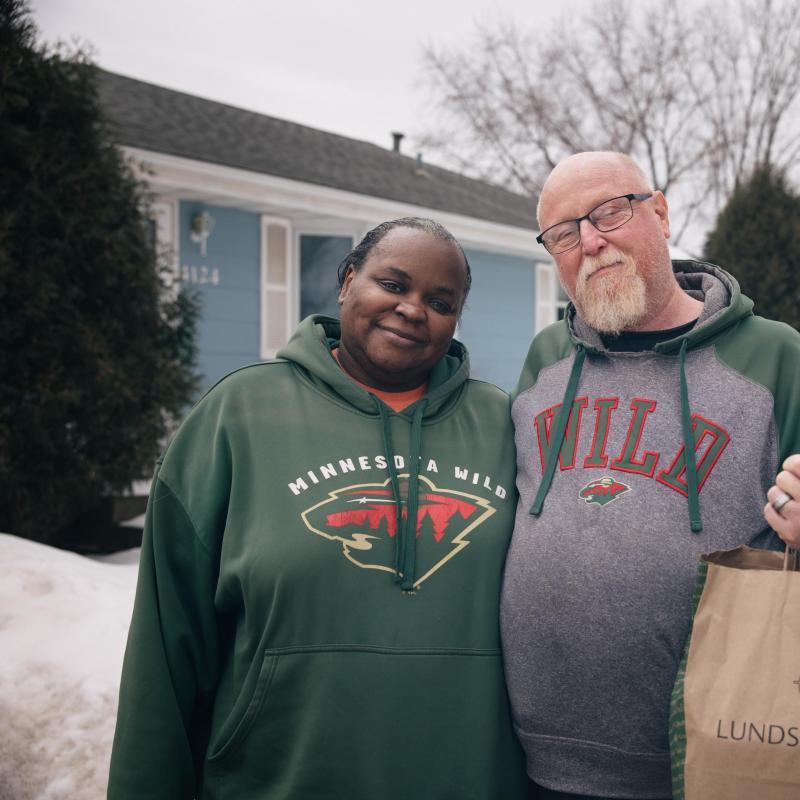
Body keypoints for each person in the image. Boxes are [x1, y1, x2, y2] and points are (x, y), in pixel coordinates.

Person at [107, 216, 529, 800]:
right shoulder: (241, 413)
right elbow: (167, 640)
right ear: (347, 279)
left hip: (471, 778)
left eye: (440, 300)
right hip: (277, 777)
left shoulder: (504, 426)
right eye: (393, 284)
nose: (412, 309)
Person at [500, 151, 800, 800]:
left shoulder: (774, 355)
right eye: (562, 233)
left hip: (716, 760)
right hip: (538, 762)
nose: (589, 242)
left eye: (608, 212)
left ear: (659, 213)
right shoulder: (545, 359)